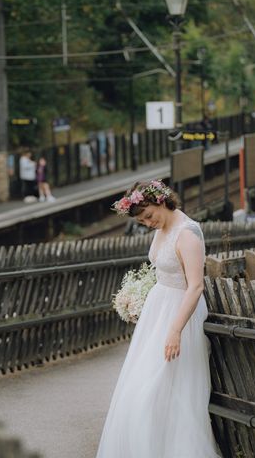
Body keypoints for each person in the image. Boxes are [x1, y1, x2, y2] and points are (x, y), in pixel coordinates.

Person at [97, 179, 219, 458]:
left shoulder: (188, 233)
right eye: (142, 221)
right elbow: (163, 271)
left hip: (179, 317)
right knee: (139, 387)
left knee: (160, 389)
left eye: (149, 216)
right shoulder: (163, 227)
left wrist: (175, 330)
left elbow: (195, 286)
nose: (148, 223)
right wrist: (139, 296)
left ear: (161, 201)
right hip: (157, 314)